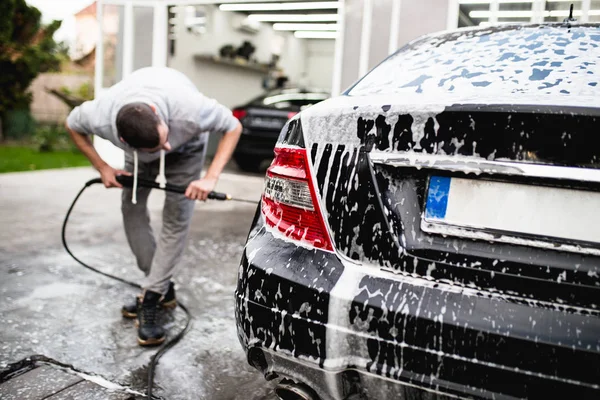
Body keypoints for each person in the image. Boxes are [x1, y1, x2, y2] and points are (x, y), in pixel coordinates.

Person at [65, 67, 242, 346]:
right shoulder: (99, 116)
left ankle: (151, 295)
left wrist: (210, 178)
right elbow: (71, 125)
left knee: (176, 216)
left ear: (158, 115)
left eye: (165, 137)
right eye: (160, 146)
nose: (167, 146)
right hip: (139, 154)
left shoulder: (190, 110)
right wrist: (102, 167)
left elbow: (233, 126)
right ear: (121, 140)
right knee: (131, 207)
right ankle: (161, 287)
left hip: (190, 145)